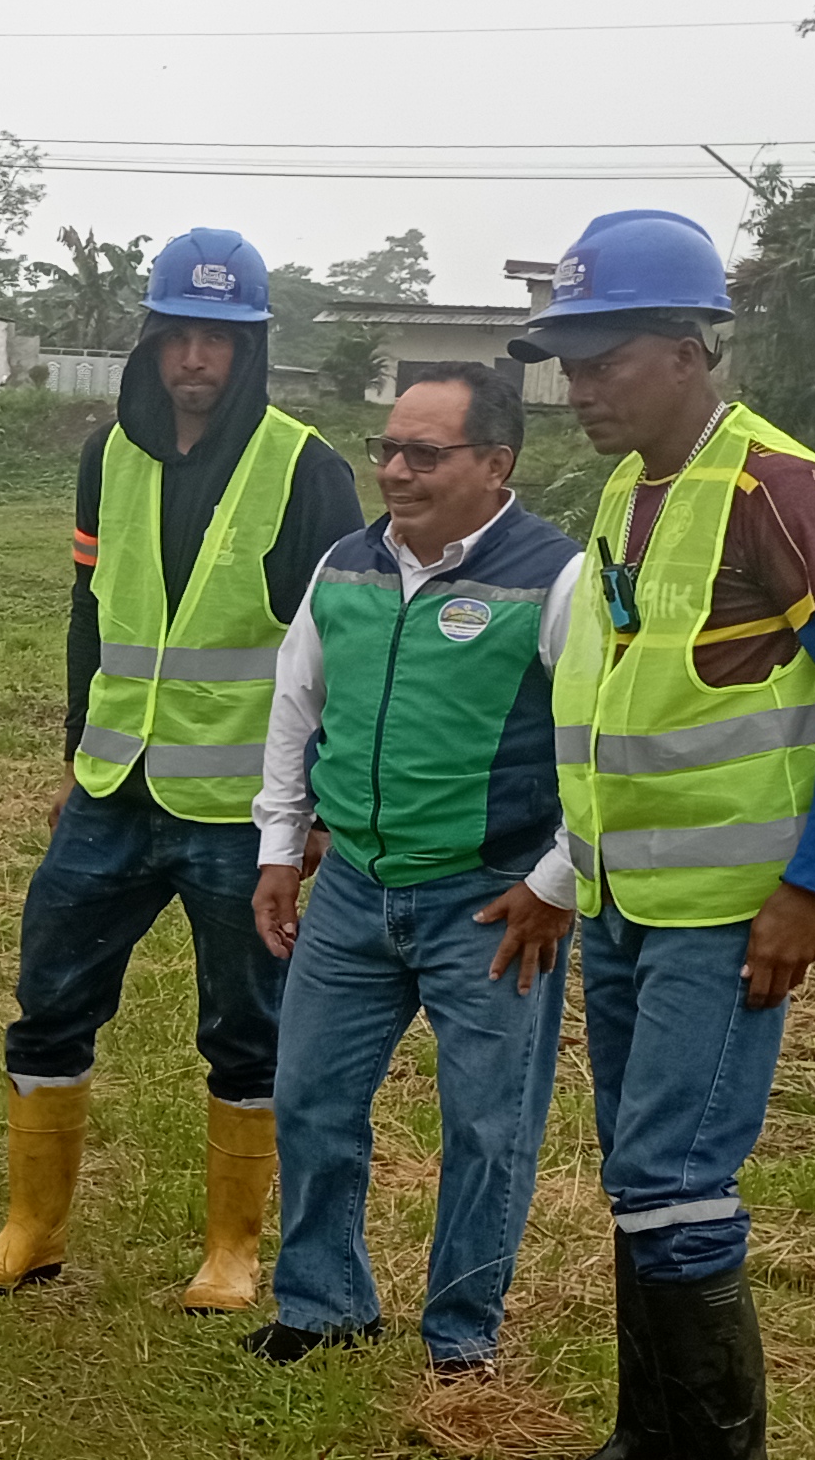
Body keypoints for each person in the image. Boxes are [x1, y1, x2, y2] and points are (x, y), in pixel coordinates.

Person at [507, 209, 815, 1460]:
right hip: (627, 901)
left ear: (688, 352)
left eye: (605, 361)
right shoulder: (629, 492)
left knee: (676, 1176)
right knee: (638, 1175)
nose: (581, 388)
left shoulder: (777, 486)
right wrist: (569, 876)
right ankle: (652, 1432)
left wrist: (809, 889)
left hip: (732, 910)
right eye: (568, 364)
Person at [0, 228, 360, 1310]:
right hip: (111, 793)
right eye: (178, 333)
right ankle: (32, 1229)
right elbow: (90, 617)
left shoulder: (307, 469)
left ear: (250, 348)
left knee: (248, 1028)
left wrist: (314, 811)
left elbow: (346, 652)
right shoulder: (110, 456)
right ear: (149, 338)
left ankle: (232, 1253)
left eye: (217, 339)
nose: (194, 358)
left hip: (242, 810)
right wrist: (74, 753)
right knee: (49, 1000)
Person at [241, 365, 575, 1372]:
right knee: (309, 1098)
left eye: (424, 454)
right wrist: (280, 846)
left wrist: (557, 882)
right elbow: (296, 705)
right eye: (387, 449)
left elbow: (600, 744)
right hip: (352, 887)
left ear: (496, 464)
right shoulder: (346, 565)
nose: (394, 471)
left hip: (492, 900)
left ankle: (462, 1340)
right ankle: (323, 1305)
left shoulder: (554, 579)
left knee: (486, 1126)